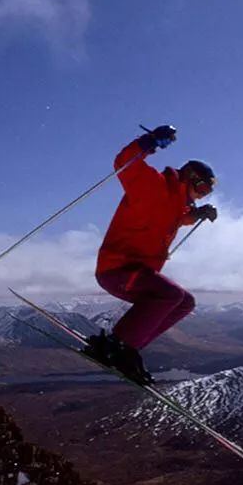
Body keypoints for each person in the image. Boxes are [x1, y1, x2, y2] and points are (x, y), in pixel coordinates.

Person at [83, 124, 218, 385]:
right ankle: (116, 346)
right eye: (201, 191)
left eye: (205, 195)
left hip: (138, 273)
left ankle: (128, 348)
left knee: (185, 302)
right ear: (190, 178)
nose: (200, 197)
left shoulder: (177, 205)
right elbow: (124, 163)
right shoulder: (152, 186)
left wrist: (197, 215)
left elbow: (176, 218)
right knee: (171, 295)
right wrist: (149, 142)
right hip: (117, 269)